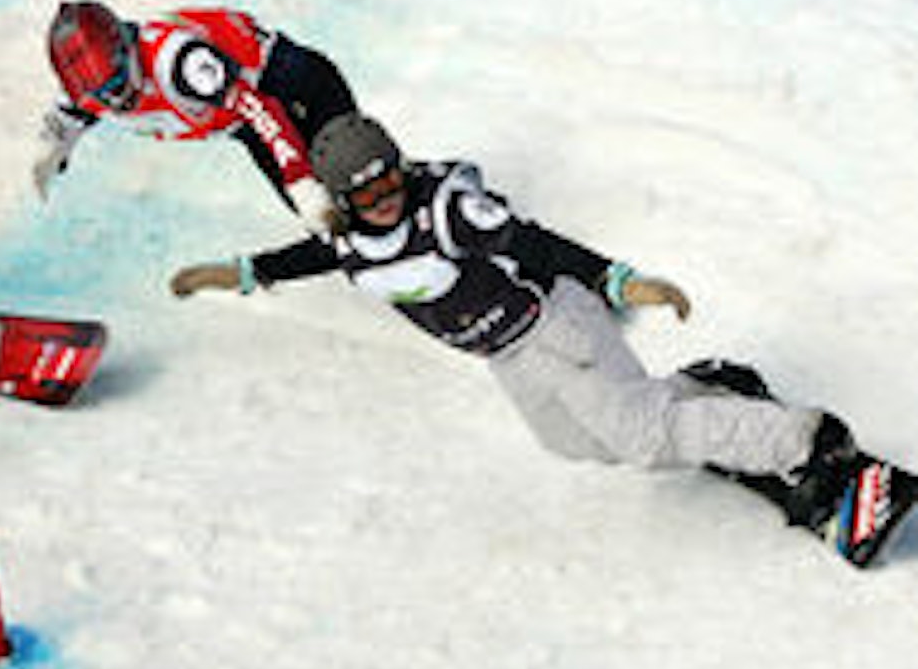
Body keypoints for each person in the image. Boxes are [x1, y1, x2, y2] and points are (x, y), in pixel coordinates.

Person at [169, 112, 902, 561]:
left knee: (643, 436)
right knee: (578, 442)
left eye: (390, 179)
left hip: (556, 324)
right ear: (344, 200)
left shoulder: (447, 210)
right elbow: (315, 256)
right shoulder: (349, 236)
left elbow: (533, 241)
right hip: (506, 355)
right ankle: (714, 393)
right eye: (369, 193)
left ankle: (809, 443)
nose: (387, 196)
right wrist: (235, 272)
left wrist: (619, 281)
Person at [34, 1, 358, 230]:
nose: (115, 101)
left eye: (118, 85)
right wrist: (48, 155)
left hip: (291, 84)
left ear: (127, 51)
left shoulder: (183, 64)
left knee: (355, 176)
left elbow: (262, 109)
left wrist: (301, 181)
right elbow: (66, 119)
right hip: (245, 126)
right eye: (101, 97)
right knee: (331, 226)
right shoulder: (88, 88)